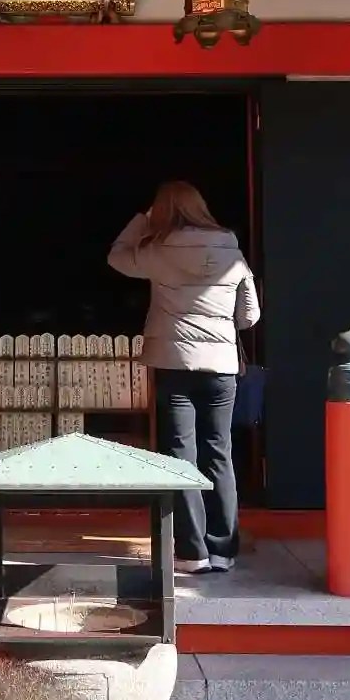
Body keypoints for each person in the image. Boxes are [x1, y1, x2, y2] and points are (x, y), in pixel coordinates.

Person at [108, 181, 259, 574]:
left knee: (180, 454)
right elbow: (250, 316)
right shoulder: (231, 250)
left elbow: (116, 257)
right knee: (219, 452)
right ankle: (223, 549)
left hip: (173, 364)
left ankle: (193, 552)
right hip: (221, 366)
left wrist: (143, 219)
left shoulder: (158, 250)